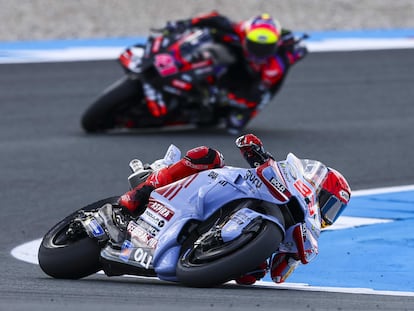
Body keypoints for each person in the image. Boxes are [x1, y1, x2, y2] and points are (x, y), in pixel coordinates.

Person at [114, 133, 351, 285]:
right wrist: (256, 150)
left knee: (251, 275)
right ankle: (143, 191)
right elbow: (256, 155)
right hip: (218, 187)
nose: (327, 213)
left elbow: (279, 275)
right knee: (208, 155)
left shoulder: (303, 236)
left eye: (333, 212)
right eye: (329, 204)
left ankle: (204, 248)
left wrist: (271, 260)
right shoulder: (282, 177)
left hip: (217, 251)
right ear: (317, 185)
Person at [148, 12, 308, 134]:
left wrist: (229, 98)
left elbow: (254, 94)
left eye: (265, 48)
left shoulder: (276, 64)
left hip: (256, 80)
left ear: (276, 44)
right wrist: (183, 24)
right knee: (207, 36)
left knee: (235, 125)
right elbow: (214, 18)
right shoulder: (239, 31)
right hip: (238, 58)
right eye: (255, 46)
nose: (259, 52)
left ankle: (222, 103)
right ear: (246, 37)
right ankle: (176, 64)